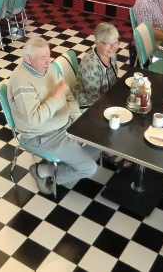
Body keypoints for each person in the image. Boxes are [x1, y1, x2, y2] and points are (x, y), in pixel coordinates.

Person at [7, 37, 98, 194]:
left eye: (49, 56)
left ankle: (68, 163)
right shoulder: (21, 82)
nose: (48, 62)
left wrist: (77, 121)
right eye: (43, 58)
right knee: (89, 168)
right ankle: (42, 171)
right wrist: (56, 96)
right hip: (44, 136)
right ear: (29, 59)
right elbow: (34, 120)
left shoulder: (47, 68)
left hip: (66, 125)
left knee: (100, 140)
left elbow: (68, 95)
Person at [74, 23, 119, 109]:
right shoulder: (91, 65)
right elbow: (93, 99)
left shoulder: (111, 55)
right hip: (89, 106)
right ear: (97, 43)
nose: (113, 47)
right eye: (108, 44)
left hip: (107, 96)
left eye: (116, 42)